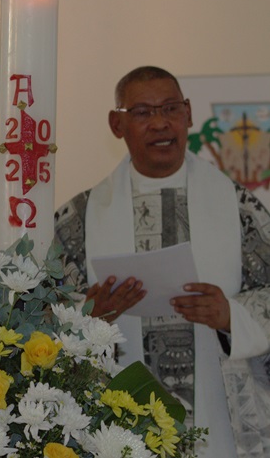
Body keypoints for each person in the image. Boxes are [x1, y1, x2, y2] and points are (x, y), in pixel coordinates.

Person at [54, 65, 270, 457]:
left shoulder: (242, 209)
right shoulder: (78, 219)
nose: (159, 123)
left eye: (170, 109)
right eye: (142, 112)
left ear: (188, 115)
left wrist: (231, 316)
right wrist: (87, 315)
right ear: (117, 124)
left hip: (221, 422)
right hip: (118, 423)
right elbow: (39, 314)